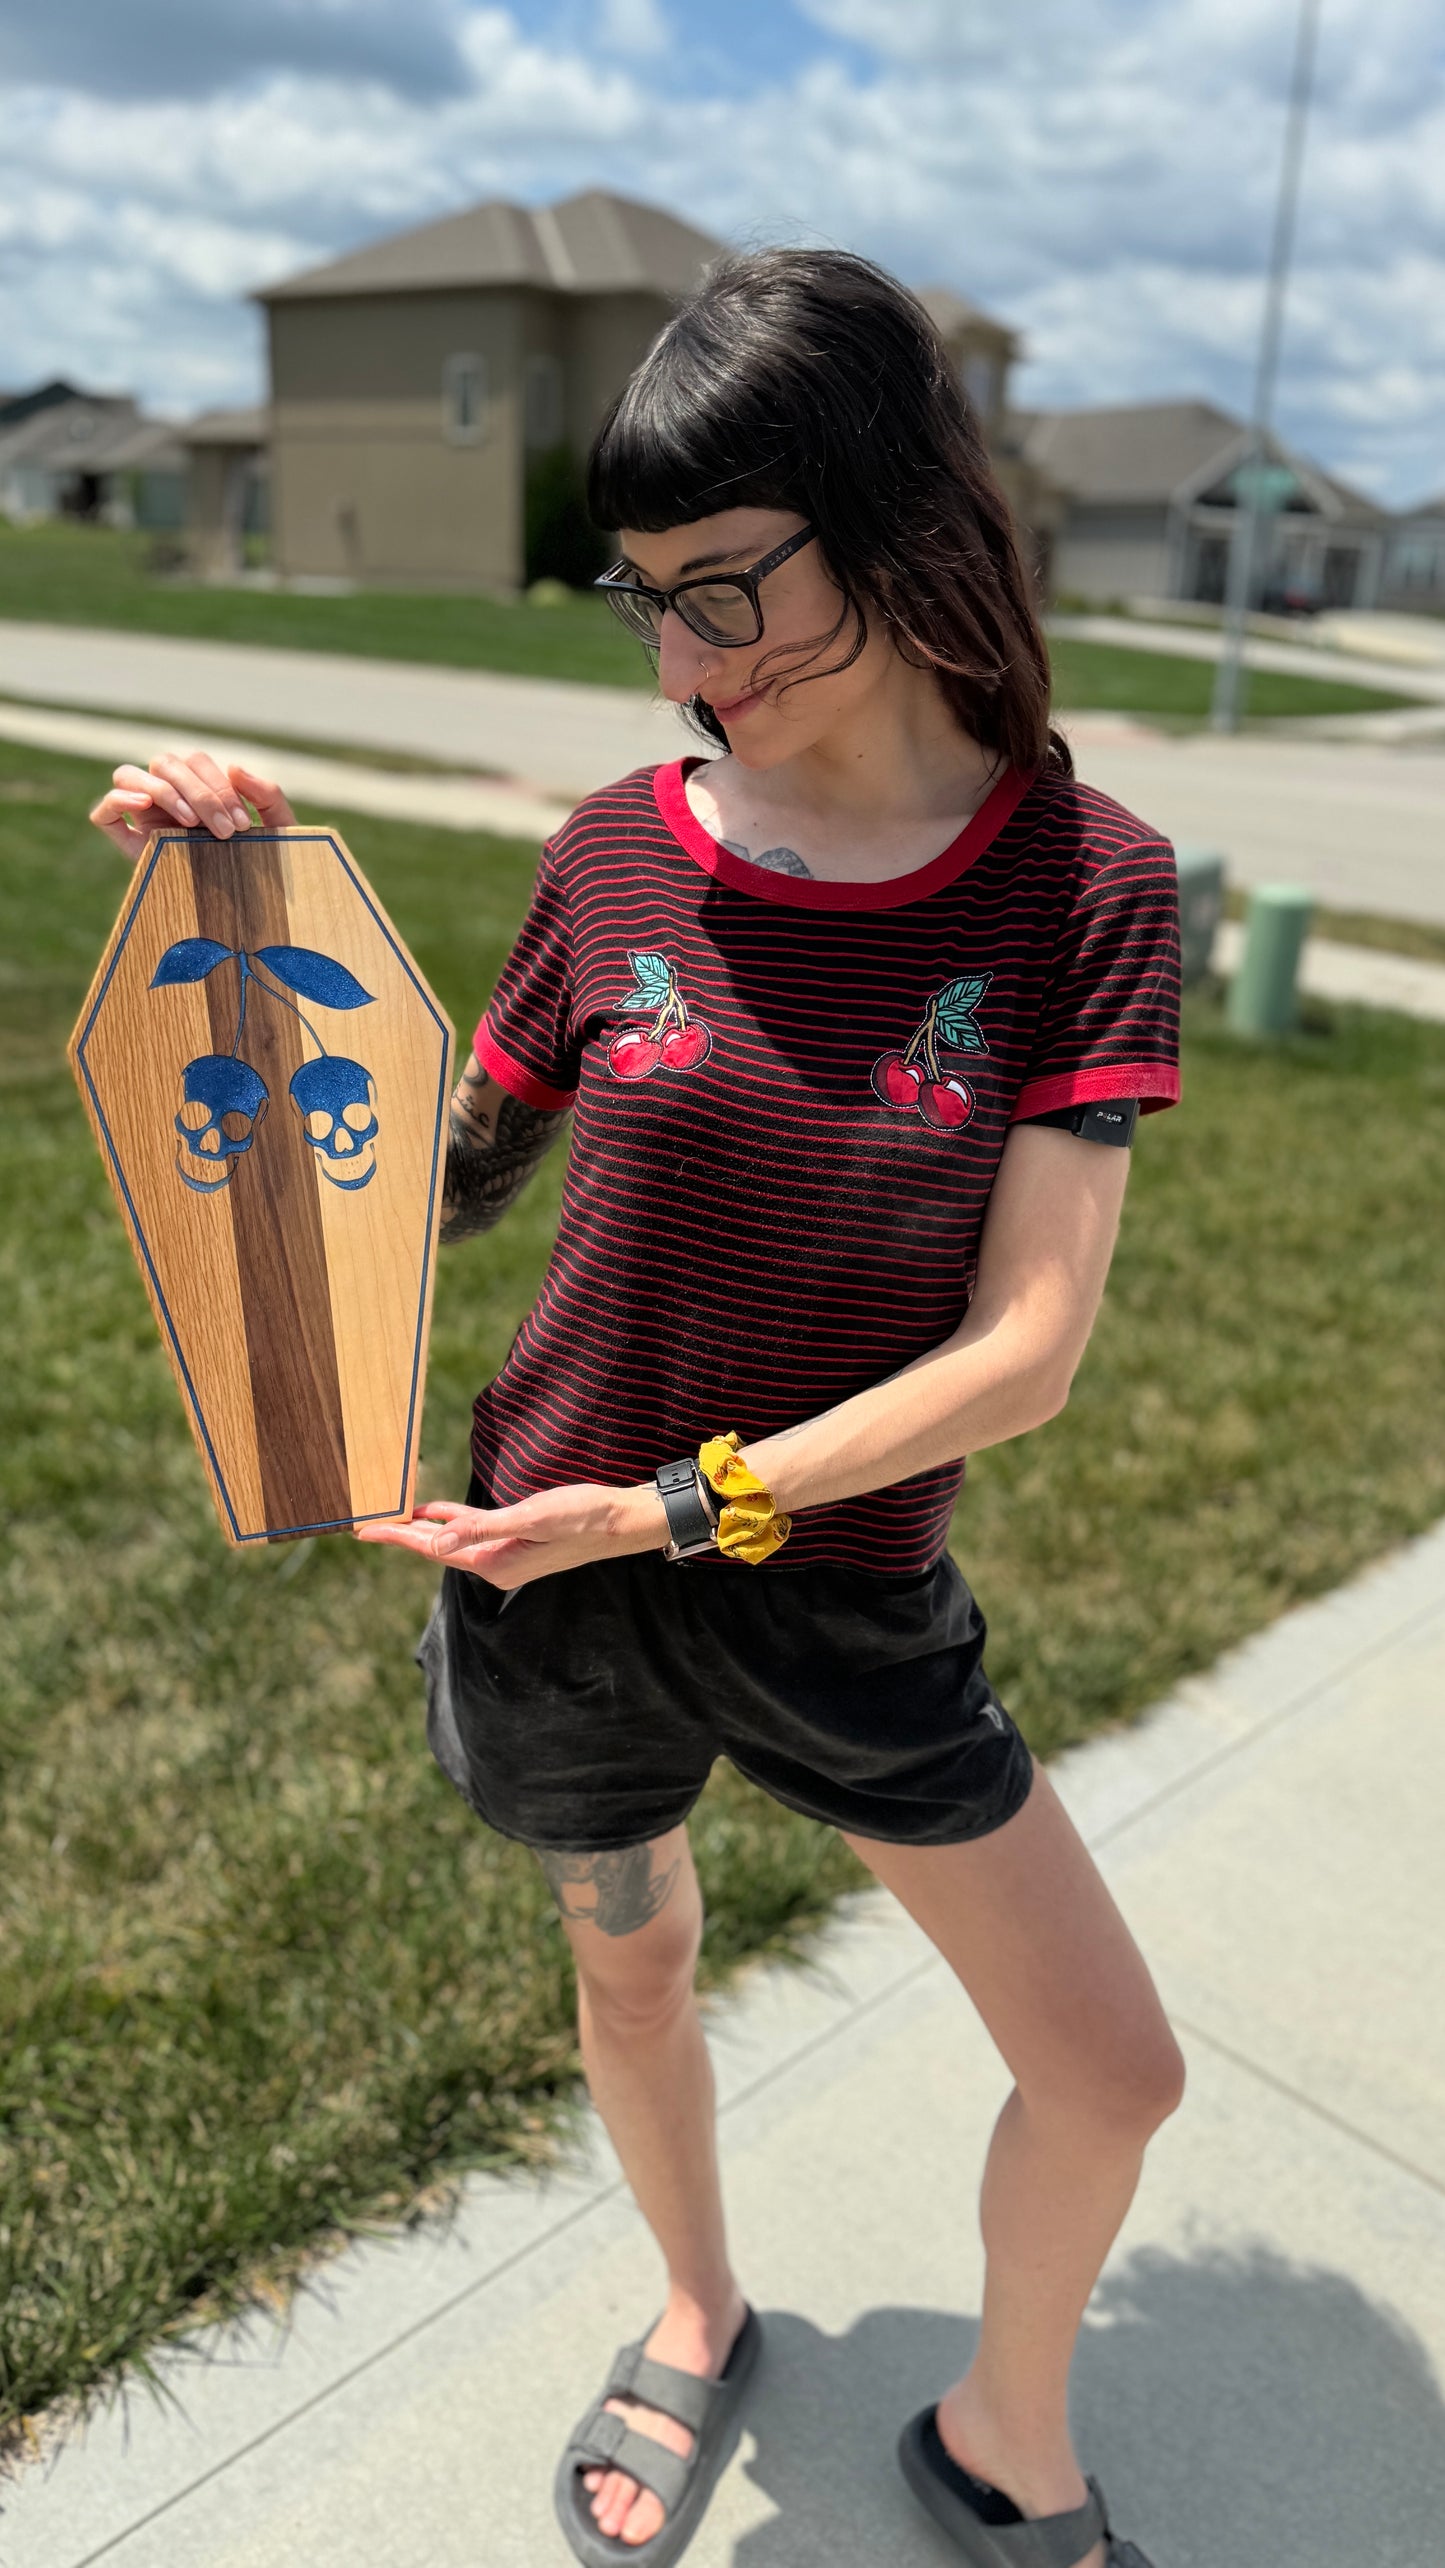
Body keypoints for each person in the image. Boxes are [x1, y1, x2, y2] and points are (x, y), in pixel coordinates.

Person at [89, 248, 1184, 2568]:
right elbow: (436, 1191)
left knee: (1112, 2070)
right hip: (554, 1599)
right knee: (635, 1952)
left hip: (829, 1598)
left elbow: (1032, 1347)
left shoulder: (1087, 886)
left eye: (728, 593)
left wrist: (675, 1510)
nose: (687, 664)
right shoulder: (615, 858)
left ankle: (1013, 2430)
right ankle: (694, 2307)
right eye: (647, 604)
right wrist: (246, 910)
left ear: (902, 530)